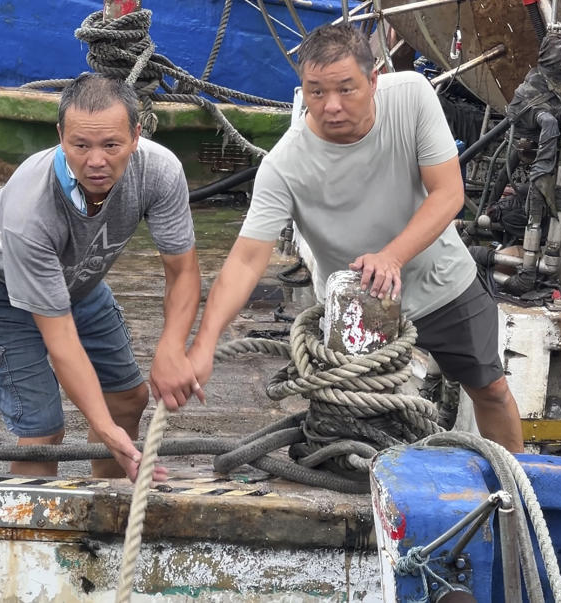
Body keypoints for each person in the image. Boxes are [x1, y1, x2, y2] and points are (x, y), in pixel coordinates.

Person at [186, 24, 524, 452]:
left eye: (346, 90)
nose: (331, 107)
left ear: (374, 79)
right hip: (357, 307)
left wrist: (392, 256)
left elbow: (449, 193)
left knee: (490, 389)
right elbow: (246, 261)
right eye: (315, 92)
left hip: (441, 282)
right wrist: (204, 343)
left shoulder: (411, 96)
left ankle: (519, 490)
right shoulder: (283, 166)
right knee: (357, 426)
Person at [0, 73, 204, 481]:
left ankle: (112, 504)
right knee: (43, 430)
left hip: (78, 281)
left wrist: (173, 345)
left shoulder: (159, 171)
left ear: (136, 135)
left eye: (111, 145)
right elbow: (61, 338)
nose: (96, 161)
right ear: (60, 135)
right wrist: (105, 432)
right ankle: (28, 531)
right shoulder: (30, 209)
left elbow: (182, 270)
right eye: (80, 145)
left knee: (127, 398)